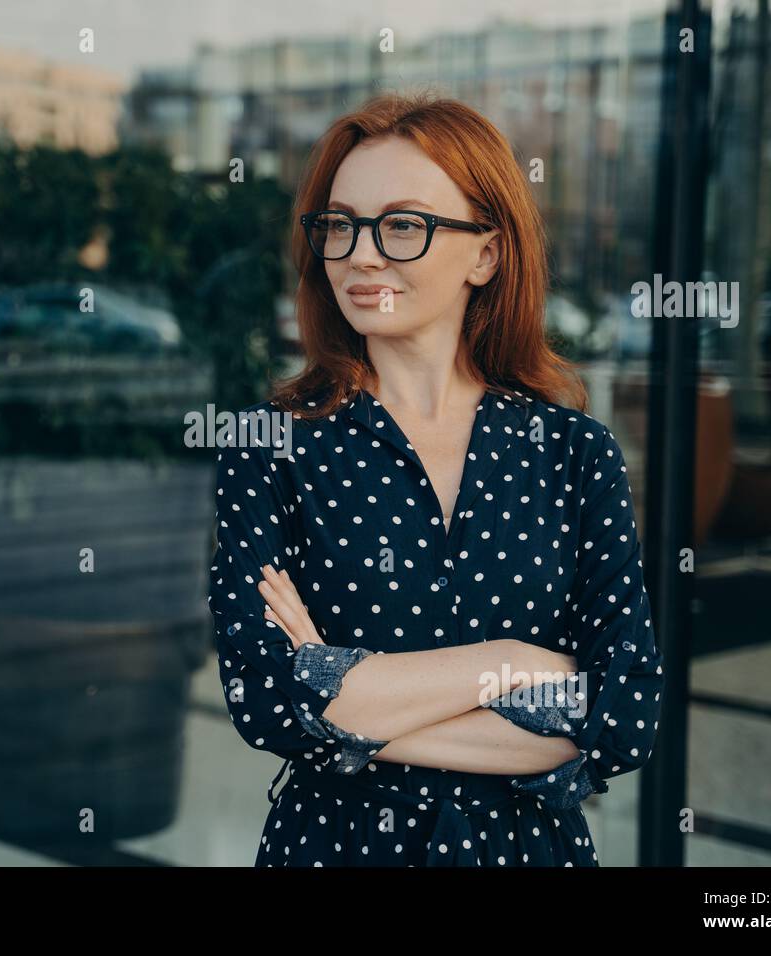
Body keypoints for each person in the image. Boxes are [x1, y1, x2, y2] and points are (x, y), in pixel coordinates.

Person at [208, 90, 664, 867]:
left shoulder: (573, 454)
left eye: (404, 225)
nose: (361, 252)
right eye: (340, 225)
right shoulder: (271, 447)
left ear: (485, 252)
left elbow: (622, 715)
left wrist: (345, 693)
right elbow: (270, 702)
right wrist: (519, 664)